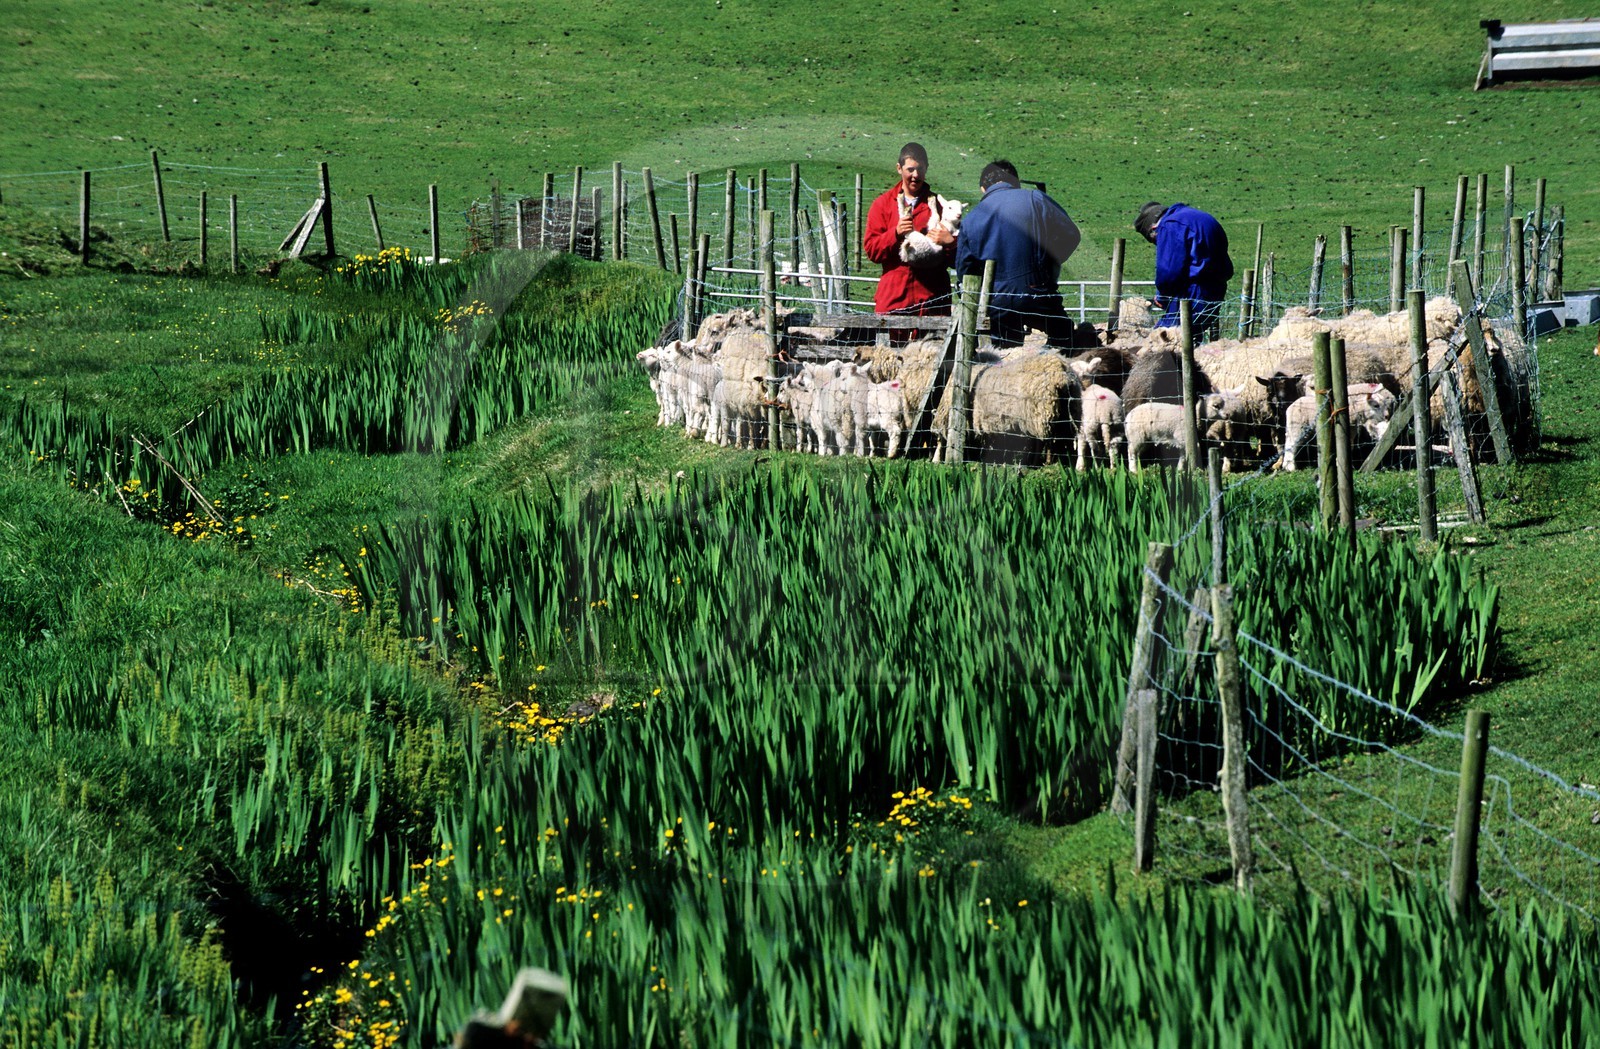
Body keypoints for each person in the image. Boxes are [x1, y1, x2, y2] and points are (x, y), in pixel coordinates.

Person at [953, 160, 1082, 348]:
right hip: (1037, 290)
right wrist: (1047, 262)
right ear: (1016, 182)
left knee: (1003, 355)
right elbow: (1071, 235)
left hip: (997, 299)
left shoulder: (971, 219)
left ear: (983, 188)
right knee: (1065, 339)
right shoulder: (1035, 199)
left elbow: (965, 270)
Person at [862, 142, 957, 333]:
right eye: (910, 169)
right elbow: (872, 251)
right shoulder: (882, 205)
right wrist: (894, 233)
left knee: (932, 358)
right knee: (889, 360)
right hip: (894, 298)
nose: (915, 175)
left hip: (932, 300)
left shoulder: (941, 207)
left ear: (926, 169)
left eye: (920, 169)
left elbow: (957, 259)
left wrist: (950, 243)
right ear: (899, 168)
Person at [1134, 201, 1234, 340]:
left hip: (1193, 292)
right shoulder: (1195, 216)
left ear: (1154, 228)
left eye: (1156, 240)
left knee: (1163, 340)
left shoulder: (1170, 225)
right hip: (1215, 290)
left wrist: (1162, 296)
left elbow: (1169, 272)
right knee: (1192, 340)